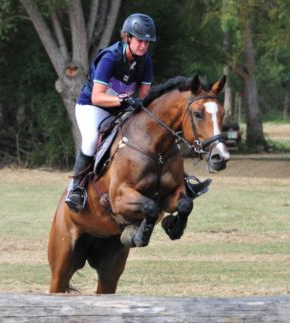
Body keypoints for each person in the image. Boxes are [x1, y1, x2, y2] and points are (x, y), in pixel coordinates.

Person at [65, 13, 211, 212]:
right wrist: (123, 100)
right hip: (93, 107)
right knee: (91, 139)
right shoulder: (110, 58)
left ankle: (182, 182)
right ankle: (76, 188)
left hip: (121, 107)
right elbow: (97, 97)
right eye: (140, 41)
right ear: (127, 38)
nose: (143, 46)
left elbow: (144, 97)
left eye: (147, 42)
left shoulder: (145, 62)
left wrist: (137, 105)